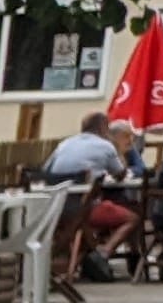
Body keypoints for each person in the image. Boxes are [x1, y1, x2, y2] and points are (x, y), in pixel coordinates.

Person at [41, 110, 135, 281]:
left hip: (54, 208)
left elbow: (46, 170)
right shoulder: (105, 146)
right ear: (103, 128)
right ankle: (102, 253)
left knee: (83, 228)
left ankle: (72, 260)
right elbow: (120, 174)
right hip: (82, 210)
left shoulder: (65, 144)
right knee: (132, 218)